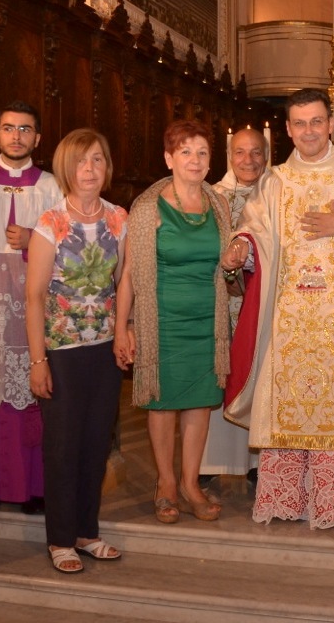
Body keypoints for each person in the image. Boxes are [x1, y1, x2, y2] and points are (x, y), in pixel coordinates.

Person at [222, 88, 334, 529]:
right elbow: (257, 231)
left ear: (331, 123)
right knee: (288, 394)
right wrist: (241, 248)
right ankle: (288, 499)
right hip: (287, 315)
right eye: (299, 124)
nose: (309, 131)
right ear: (287, 129)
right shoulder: (275, 181)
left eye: (317, 121)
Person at [115, 119, 232, 524]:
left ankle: (189, 483)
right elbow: (130, 272)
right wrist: (122, 327)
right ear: (169, 158)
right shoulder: (149, 208)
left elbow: (226, 264)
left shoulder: (218, 205)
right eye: (185, 152)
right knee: (162, 403)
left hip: (207, 319)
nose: (195, 160)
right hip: (161, 319)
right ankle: (165, 484)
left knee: (200, 404)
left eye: (202, 152)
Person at [25, 129, 128, 574]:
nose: (91, 170)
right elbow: (33, 297)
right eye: (82, 161)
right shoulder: (50, 224)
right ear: (67, 168)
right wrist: (37, 360)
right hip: (62, 348)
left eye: (99, 160)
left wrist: (124, 329)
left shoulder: (119, 219)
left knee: (95, 442)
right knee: (63, 445)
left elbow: (123, 281)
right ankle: (60, 538)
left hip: (104, 348)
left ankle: (87, 531)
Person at [0, 102, 62, 520]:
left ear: (37, 138)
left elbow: (71, 251)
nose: (16, 136)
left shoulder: (51, 189)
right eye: (8, 128)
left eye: (25, 129)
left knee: (31, 392)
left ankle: (33, 488)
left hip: (31, 313)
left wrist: (34, 239)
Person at [199, 128, 268, 486]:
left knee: (259, 374)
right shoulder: (212, 196)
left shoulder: (277, 193)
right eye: (241, 152)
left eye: (256, 152)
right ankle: (213, 462)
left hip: (261, 300)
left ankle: (259, 464)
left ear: (267, 153)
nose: (249, 160)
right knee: (221, 374)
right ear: (230, 155)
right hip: (222, 301)